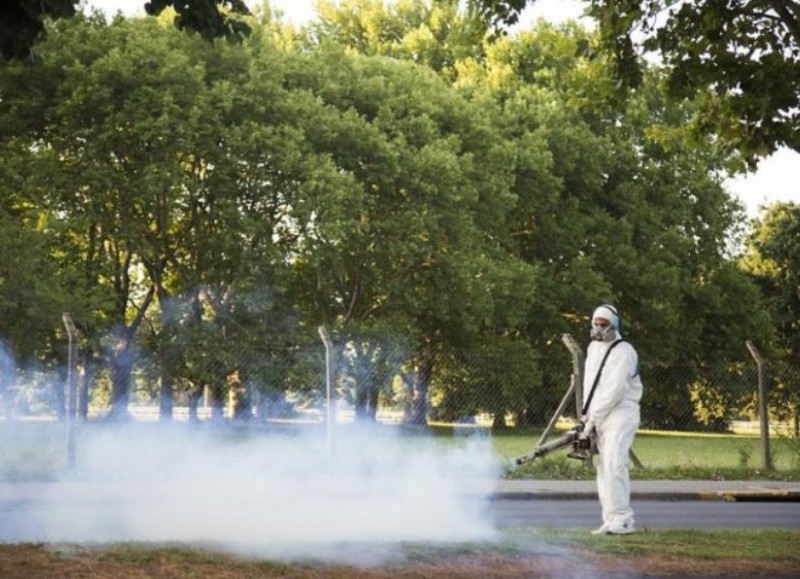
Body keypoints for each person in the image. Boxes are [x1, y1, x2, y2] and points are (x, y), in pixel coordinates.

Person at [581, 304, 643, 535]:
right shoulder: (592, 348)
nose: (598, 328)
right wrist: (586, 416)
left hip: (621, 412)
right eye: (595, 323)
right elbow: (590, 385)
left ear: (614, 325)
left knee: (615, 463)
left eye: (603, 324)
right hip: (599, 413)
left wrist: (593, 418)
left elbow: (615, 391)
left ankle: (624, 519)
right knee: (604, 467)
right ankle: (610, 519)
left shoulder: (624, 351)